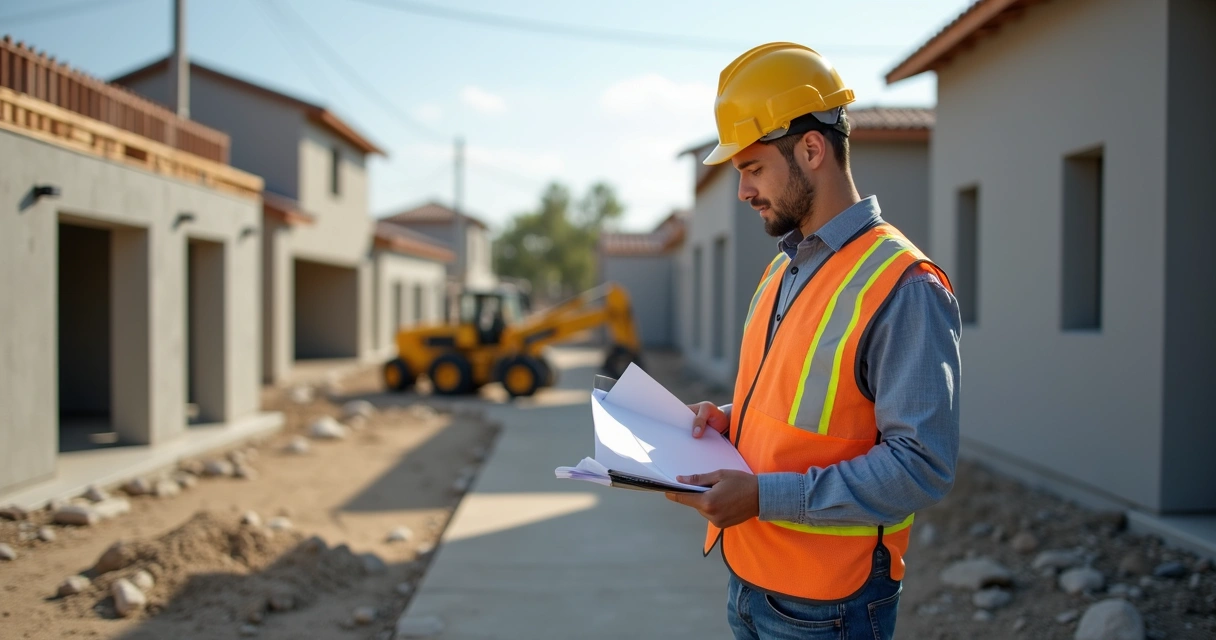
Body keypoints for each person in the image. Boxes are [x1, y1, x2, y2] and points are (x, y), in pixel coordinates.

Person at [664, 42, 962, 640]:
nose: (743, 191)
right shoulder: (784, 268)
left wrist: (764, 497)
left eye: (752, 168)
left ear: (811, 148)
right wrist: (729, 421)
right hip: (750, 577)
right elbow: (798, 407)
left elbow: (922, 467)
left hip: (832, 605)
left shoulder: (903, 284)